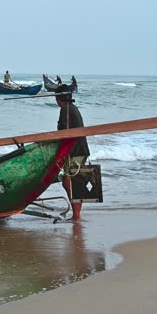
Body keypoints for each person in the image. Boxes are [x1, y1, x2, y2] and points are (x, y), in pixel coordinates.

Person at [55, 84, 90, 220]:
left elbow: (64, 133)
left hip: (75, 151)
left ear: (59, 98)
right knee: (73, 182)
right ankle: (76, 215)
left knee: (71, 183)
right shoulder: (71, 108)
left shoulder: (66, 109)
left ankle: (76, 216)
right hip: (79, 149)